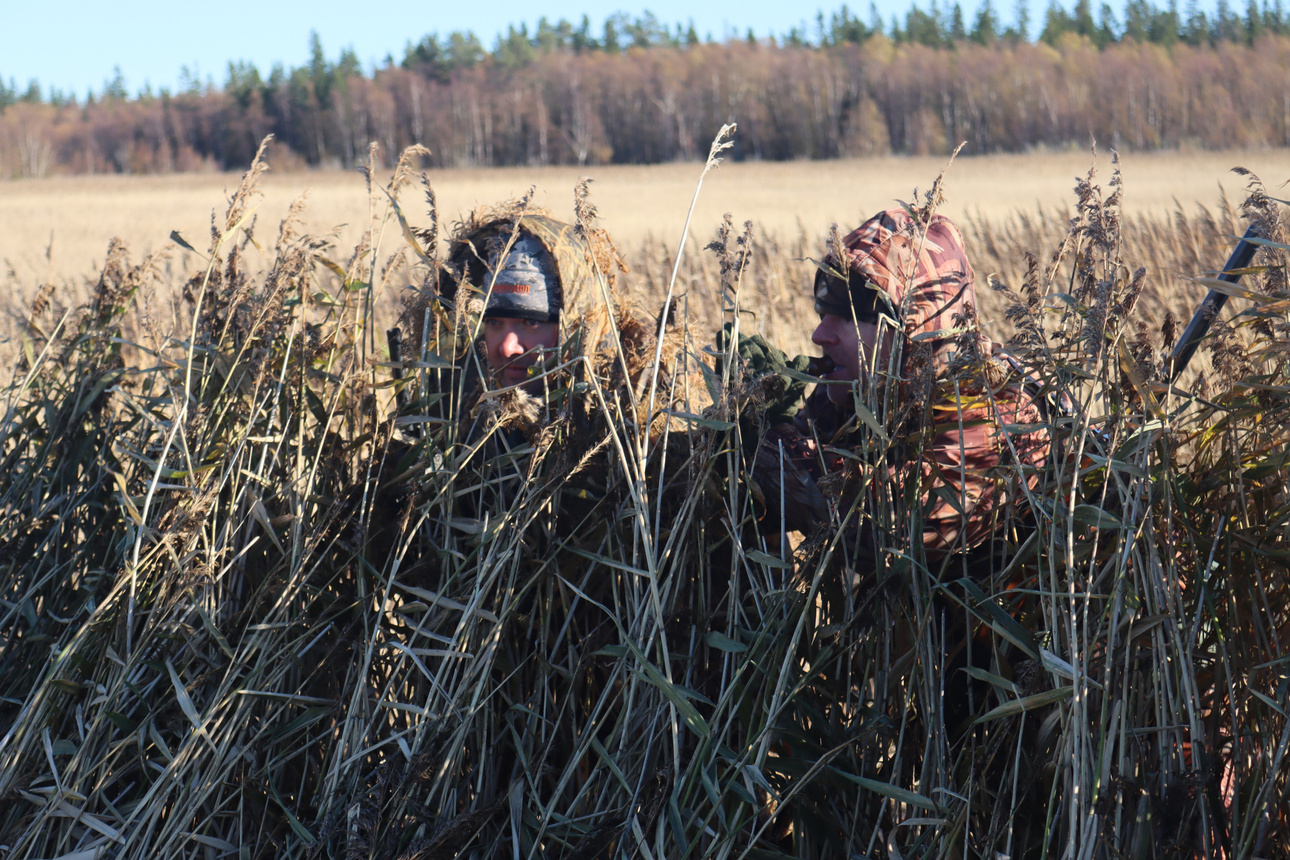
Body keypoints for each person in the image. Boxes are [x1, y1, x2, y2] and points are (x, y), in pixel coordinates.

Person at [739, 206, 1050, 563]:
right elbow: (761, 496)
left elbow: (888, 528)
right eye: (823, 314)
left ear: (916, 330)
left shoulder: (995, 412)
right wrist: (738, 426)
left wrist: (765, 445)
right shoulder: (854, 395)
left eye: (851, 318)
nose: (819, 335)